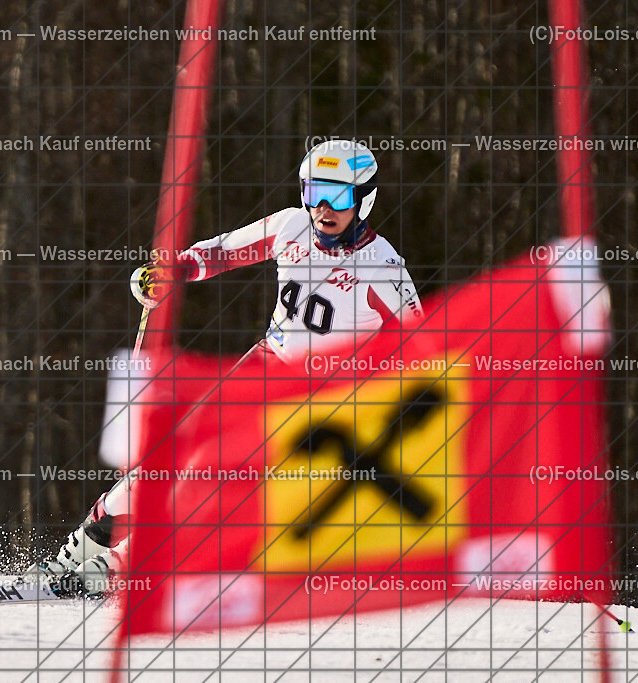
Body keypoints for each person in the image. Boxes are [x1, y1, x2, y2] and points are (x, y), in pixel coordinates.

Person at [24, 139, 423, 597]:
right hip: (261, 372)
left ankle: (117, 567)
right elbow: (224, 251)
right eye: (314, 192)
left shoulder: (383, 269)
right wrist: (172, 272)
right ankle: (74, 555)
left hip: (316, 401)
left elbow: (422, 348)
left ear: (364, 199)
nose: (323, 208)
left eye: (339, 196)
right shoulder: (291, 226)